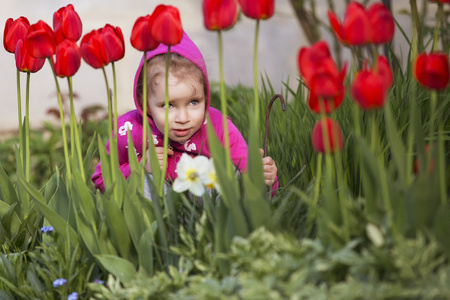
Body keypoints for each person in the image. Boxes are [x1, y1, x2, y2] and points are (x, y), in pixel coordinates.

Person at [91, 31, 278, 195]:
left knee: (229, 172)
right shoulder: (129, 130)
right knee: (144, 181)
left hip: (208, 213)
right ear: (145, 104)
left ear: (206, 95)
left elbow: (250, 179)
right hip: (157, 217)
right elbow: (101, 179)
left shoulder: (217, 127)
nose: (183, 118)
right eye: (168, 105)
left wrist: (263, 178)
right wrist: (139, 166)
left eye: (194, 102)